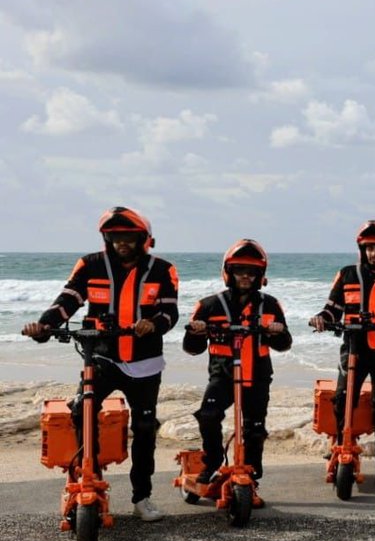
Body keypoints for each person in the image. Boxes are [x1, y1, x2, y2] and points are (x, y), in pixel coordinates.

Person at [22, 206, 180, 521]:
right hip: (101, 358)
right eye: (116, 237)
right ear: (108, 239)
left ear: (143, 239)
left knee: (146, 428)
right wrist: (43, 326)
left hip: (145, 364)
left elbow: (170, 312)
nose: (122, 242)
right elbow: (67, 300)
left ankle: (142, 498)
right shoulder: (90, 264)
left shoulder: (163, 270)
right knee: (82, 411)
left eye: (129, 237)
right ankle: (88, 476)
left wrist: (154, 324)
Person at [309, 220, 375, 488]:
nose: (374, 254)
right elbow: (331, 309)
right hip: (353, 347)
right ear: (362, 249)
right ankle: (340, 443)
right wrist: (321, 318)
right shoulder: (346, 275)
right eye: (369, 248)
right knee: (342, 398)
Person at [182, 240, 292, 487]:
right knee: (208, 416)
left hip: (258, 376)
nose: (246, 276)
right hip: (222, 376)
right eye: (240, 270)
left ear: (260, 275)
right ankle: (212, 460)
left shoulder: (270, 305)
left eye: (252, 272)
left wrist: (277, 331)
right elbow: (191, 349)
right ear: (228, 272)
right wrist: (196, 332)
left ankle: (251, 473)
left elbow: (285, 344)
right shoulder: (209, 305)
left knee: (254, 429)